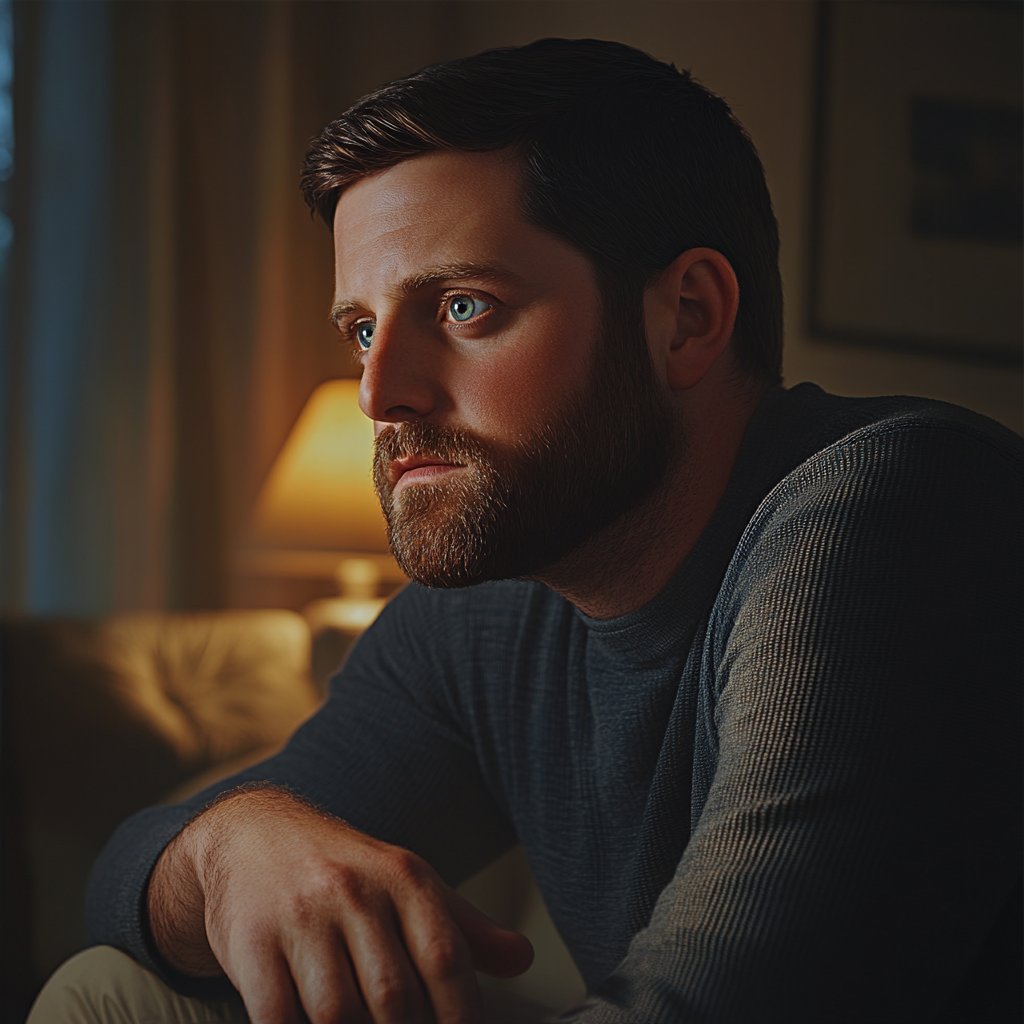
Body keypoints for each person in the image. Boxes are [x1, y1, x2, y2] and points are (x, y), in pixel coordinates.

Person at [32, 37, 1021, 1024]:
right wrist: (228, 847)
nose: (378, 391)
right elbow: (122, 880)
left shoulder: (901, 508)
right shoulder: (495, 610)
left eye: (464, 306)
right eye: (363, 329)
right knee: (116, 993)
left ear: (686, 317)